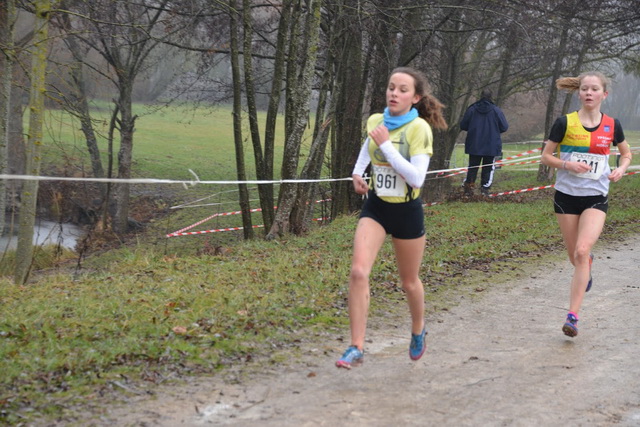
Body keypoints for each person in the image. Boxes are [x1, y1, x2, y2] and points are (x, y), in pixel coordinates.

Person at [336, 67, 448, 369]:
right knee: (359, 271)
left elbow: (416, 178)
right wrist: (358, 172)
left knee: (409, 282)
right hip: (377, 207)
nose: (394, 94)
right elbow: (368, 147)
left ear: (415, 98)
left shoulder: (418, 129)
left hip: (407, 212)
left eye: (401, 90)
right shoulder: (376, 120)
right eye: (390, 88)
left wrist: (387, 145)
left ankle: (418, 329)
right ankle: (356, 346)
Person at [541, 71, 632, 338]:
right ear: (579, 93)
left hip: (596, 197)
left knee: (581, 251)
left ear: (604, 95)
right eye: (584, 89)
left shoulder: (612, 125)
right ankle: (586, 263)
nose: (589, 93)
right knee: (575, 257)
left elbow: (626, 153)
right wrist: (567, 164)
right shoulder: (564, 122)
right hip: (567, 196)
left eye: (594, 89)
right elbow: (546, 156)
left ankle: (573, 317)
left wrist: (621, 168)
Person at [460, 89, 509, 196]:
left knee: (473, 167)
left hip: (474, 144)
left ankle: (469, 189)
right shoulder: (496, 110)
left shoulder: (472, 109)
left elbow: (463, 125)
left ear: (480, 96)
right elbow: (504, 127)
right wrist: (494, 131)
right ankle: (484, 189)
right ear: (491, 97)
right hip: (491, 145)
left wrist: (473, 128)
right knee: (488, 167)